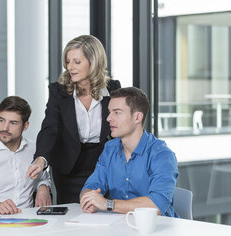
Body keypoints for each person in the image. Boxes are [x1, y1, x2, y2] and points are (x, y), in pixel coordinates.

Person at [26, 35, 121, 204]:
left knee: (102, 217)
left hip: (103, 166)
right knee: (71, 219)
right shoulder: (59, 92)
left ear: (94, 62)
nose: (70, 67)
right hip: (69, 168)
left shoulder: (113, 90)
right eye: (68, 61)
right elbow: (50, 129)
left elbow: (122, 127)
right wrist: (41, 158)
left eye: (77, 62)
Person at [80, 87, 179, 217]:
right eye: (110, 112)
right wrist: (90, 199)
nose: (108, 118)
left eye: (117, 112)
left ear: (137, 117)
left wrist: (108, 204)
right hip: (121, 228)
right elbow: (91, 186)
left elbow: (156, 205)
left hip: (157, 231)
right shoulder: (109, 149)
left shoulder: (162, 155)